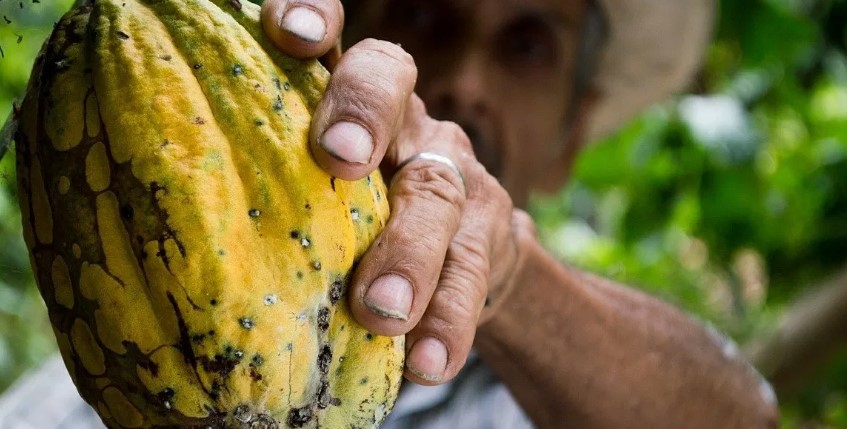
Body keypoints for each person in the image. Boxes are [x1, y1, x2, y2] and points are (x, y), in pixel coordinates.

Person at [0, 0, 779, 428]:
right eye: (426, 14)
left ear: (571, 135)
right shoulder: (64, 403)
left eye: (527, 45)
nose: (467, 80)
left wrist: (504, 274)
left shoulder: (567, 396)